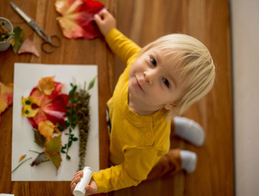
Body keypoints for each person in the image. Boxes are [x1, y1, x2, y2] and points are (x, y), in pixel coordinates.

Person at [71, 9, 215, 195]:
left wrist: (98, 182)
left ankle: (180, 159)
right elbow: (127, 48)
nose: (149, 75)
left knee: (154, 167)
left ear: (173, 104)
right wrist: (110, 31)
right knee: (160, 120)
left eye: (165, 82)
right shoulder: (139, 63)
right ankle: (175, 126)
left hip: (141, 152)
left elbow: (131, 175)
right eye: (153, 61)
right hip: (133, 123)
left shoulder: (145, 146)